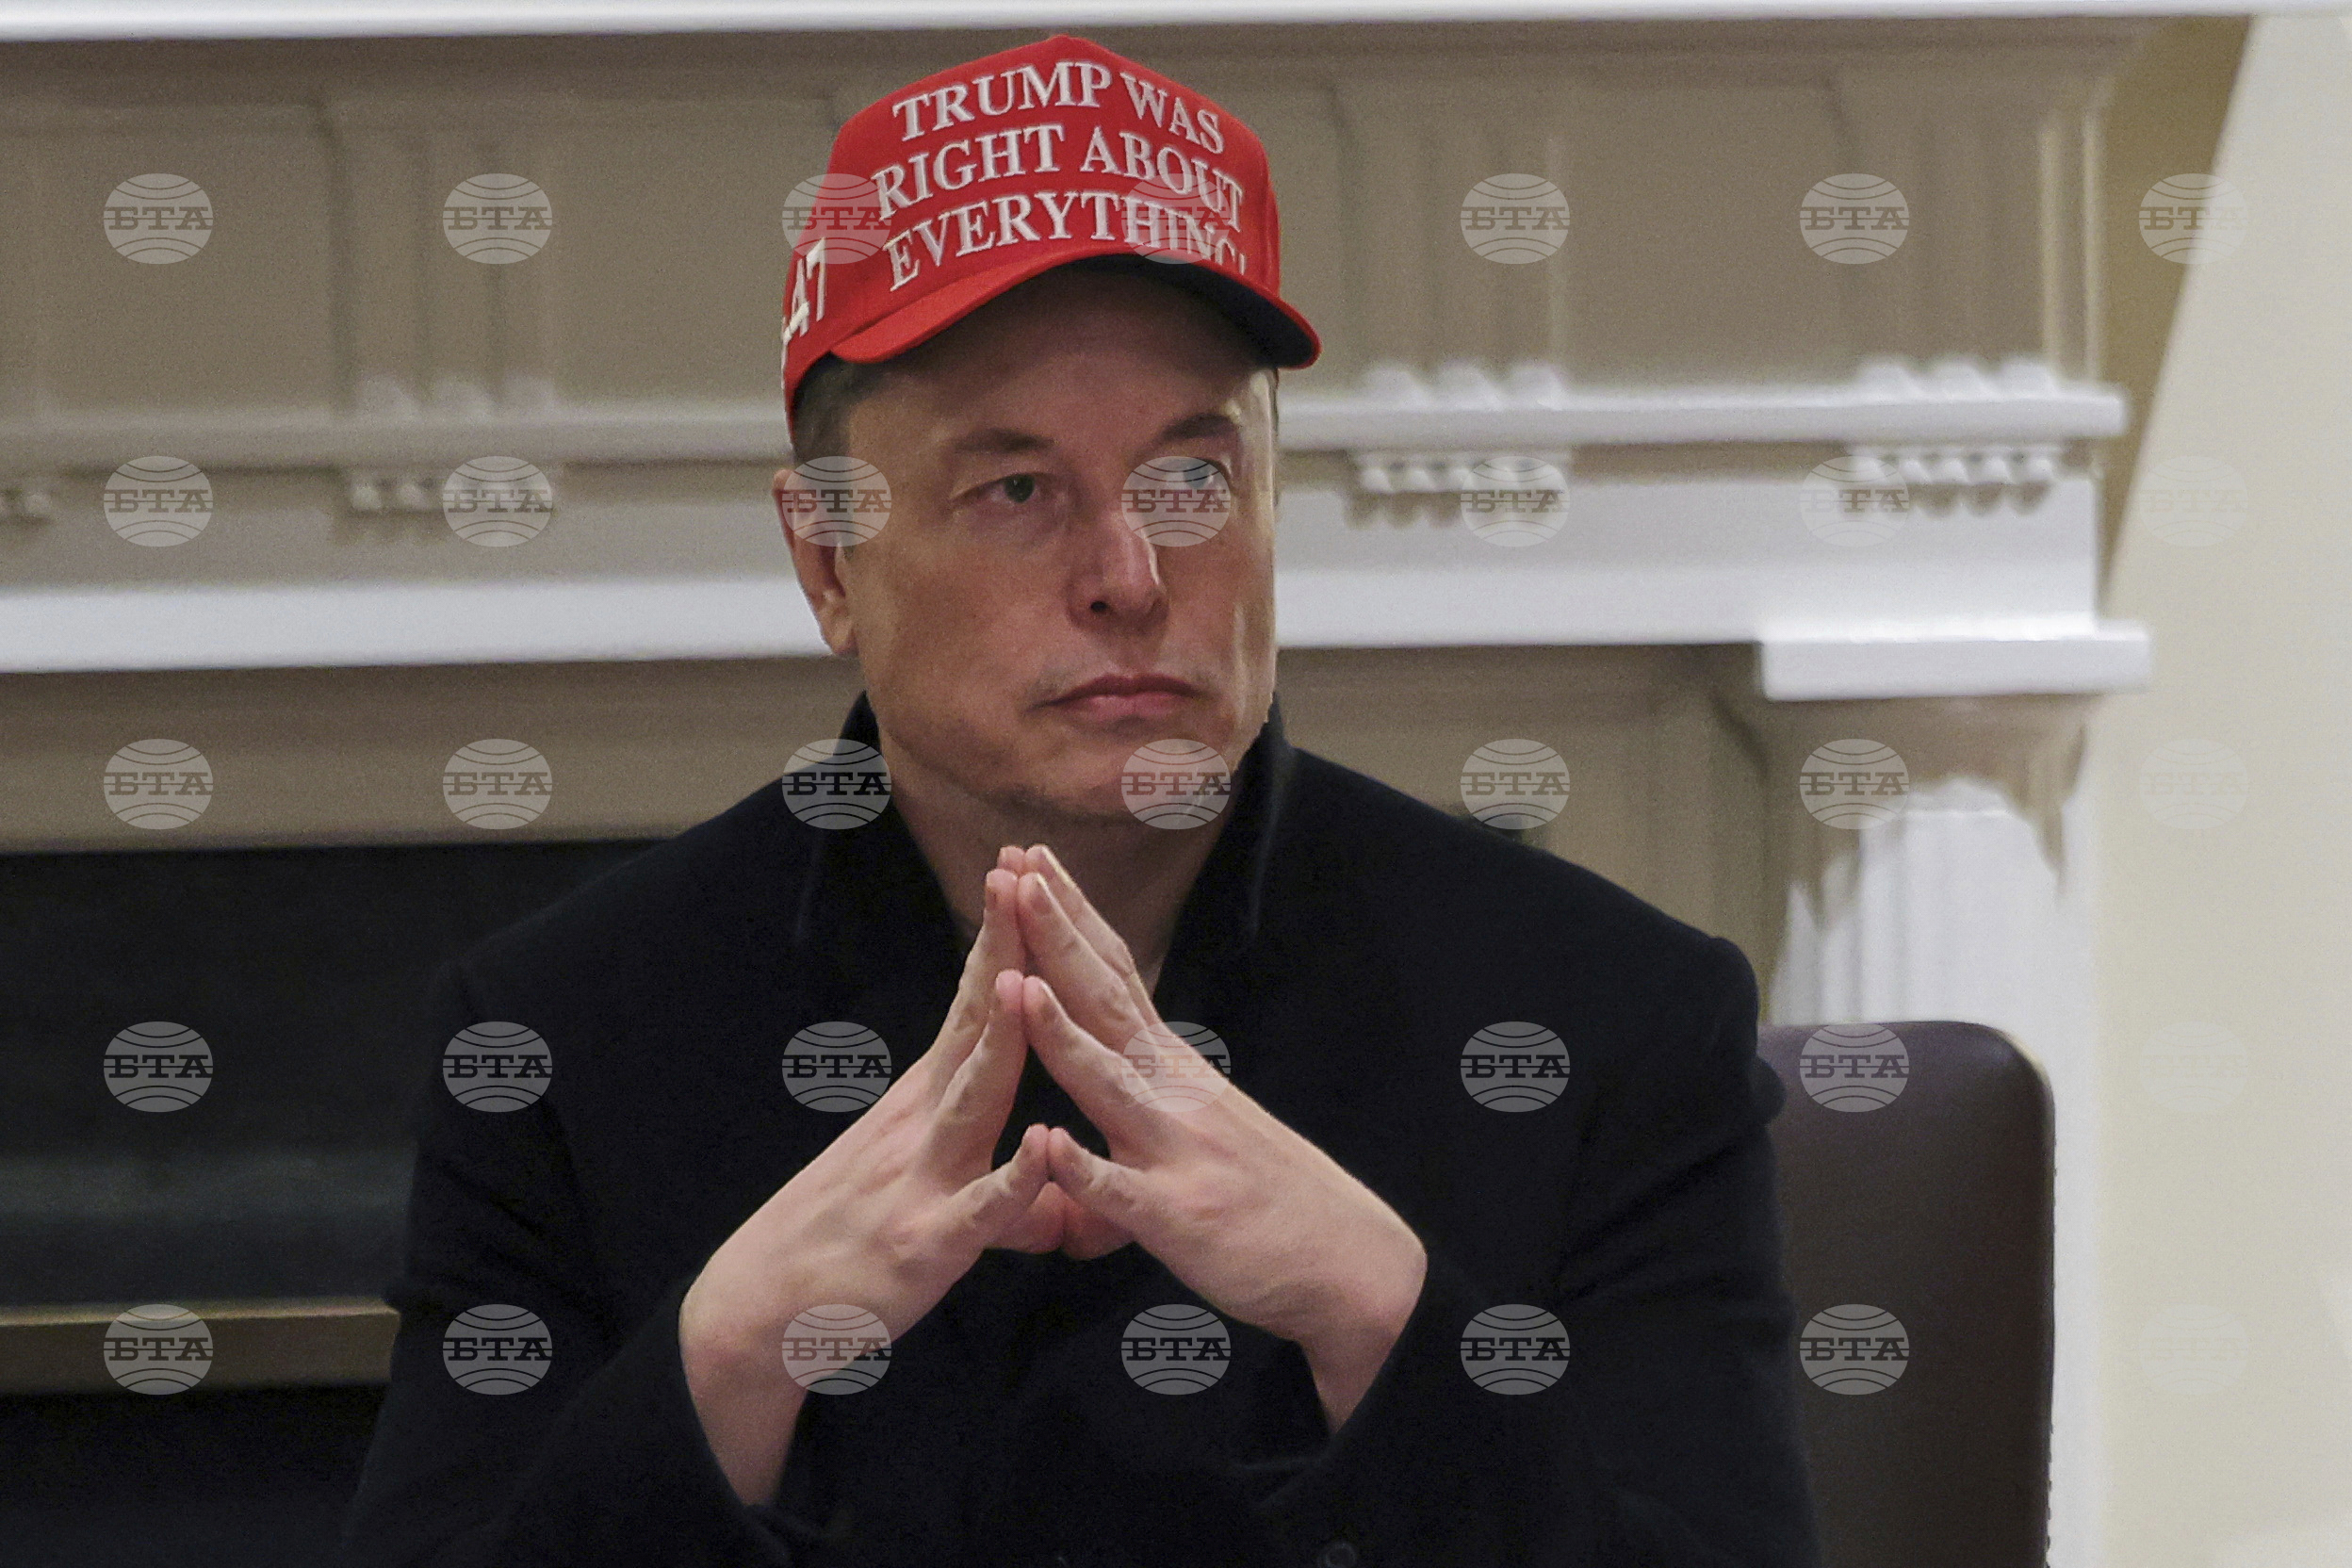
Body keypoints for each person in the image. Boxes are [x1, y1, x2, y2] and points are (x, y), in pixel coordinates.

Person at [339, 33, 1821, 1568]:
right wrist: (728, 1362)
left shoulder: (1606, 1024)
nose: (1131, 578)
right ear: (829, 561)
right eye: (1017, 491)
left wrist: (1382, 1320)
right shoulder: (562, 1044)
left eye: (1192, 482)